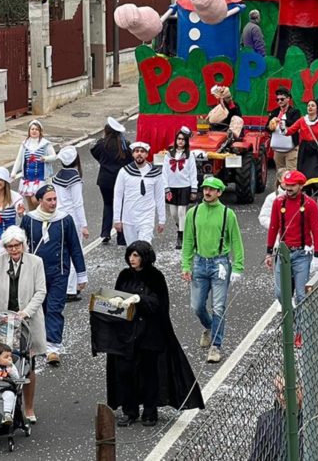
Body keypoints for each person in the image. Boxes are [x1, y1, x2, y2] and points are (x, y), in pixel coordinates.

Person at [106, 241, 204, 427]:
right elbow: (117, 296)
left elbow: (160, 304)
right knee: (126, 372)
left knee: (149, 373)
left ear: (145, 257)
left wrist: (139, 300)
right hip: (128, 333)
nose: (132, 259)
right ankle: (130, 410)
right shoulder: (124, 275)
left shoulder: (155, 277)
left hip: (149, 333)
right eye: (130, 255)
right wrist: (116, 301)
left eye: (136, 255)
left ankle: (150, 411)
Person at [0, 226, 47, 423]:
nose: (14, 249)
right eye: (10, 246)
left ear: (23, 245)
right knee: (0, 361)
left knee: (28, 365)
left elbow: (41, 291)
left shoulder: (36, 262)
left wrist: (26, 312)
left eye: (17, 245)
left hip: (27, 322)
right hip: (3, 322)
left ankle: (29, 408)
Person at [22, 185, 88, 366]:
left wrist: (81, 275)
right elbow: (20, 245)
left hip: (59, 273)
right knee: (39, 310)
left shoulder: (65, 219)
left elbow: (75, 247)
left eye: (55, 199)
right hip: (36, 274)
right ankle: (39, 342)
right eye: (49, 200)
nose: (53, 203)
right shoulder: (29, 219)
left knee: (54, 308)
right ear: (39, 201)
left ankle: (53, 349)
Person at [181, 176, 243, 364]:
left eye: (211, 189)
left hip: (220, 264)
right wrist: (186, 265)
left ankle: (216, 345)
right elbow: (188, 240)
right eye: (205, 188)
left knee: (218, 306)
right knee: (197, 306)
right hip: (199, 263)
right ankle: (210, 327)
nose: (207, 192)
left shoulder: (227, 214)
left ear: (219, 193)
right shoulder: (193, 212)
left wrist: (238, 266)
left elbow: (236, 241)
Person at [264, 170, 318, 305]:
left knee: (301, 295)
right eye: (287, 184)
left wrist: (317, 256)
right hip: (283, 253)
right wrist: (269, 252)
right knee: (281, 294)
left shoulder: (310, 204)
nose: (288, 188)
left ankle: (301, 319)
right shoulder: (278, 202)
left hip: (302, 254)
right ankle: (292, 316)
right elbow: (273, 227)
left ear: (301, 186)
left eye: (292, 185)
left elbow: (316, 230)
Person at [52, 146, 90, 300]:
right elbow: (78, 204)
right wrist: (84, 225)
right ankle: (70, 288)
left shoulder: (57, 176)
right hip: (72, 219)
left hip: (58, 217)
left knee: (62, 253)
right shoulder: (75, 179)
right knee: (75, 252)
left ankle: (62, 286)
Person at [113, 142, 166, 245]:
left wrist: (162, 220)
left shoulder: (155, 173)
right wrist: (116, 219)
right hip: (129, 218)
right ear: (133, 154)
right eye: (136, 151)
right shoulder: (124, 172)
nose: (139, 154)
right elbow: (118, 196)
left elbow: (159, 197)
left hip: (147, 217)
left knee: (144, 247)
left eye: (142, 151)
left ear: (146, 154)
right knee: (132, 248)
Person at [91, 117, 132, 243]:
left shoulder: (101, 144)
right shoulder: (125, 145)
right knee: (121, 206)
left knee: (108, 204)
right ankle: (121, 236)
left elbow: (94, 152)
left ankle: (105, 232)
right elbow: (130, 160)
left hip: (105, 180)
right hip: (121, 180)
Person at [248, 375, 304, 460]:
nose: (281, 397)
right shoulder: (266, 421)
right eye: (278, 392)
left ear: (300, 390)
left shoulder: (311, 417)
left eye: (285, 391)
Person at [163, 127, 198, 250]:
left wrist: (194, 189)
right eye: (179, 139)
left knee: (181, 211)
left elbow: (193, 172)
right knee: (173, 213)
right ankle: (182, 227)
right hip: (172, 187)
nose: (181, 141)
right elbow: (164, 172)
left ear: (186, 141)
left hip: (185, 186)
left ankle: (180, 236)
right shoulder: (169, 155)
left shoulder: (189, 155)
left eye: (183, 139)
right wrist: (166, 187)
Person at [12, 120, 58, 210]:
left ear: (40, 131)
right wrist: (13, 173)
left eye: (36, 129)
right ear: (29, 131)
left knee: (35, 200)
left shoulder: (45, 144)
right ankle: (33, 217)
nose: (34, 131)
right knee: (29, 202)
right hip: (28, 178)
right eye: (32, 129)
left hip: (40, 178)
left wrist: (46, 158)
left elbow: (54, 156)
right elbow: (19, 159)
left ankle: (41, 214)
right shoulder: (25, 144)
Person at [268, 88, 302, 172]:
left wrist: (280, 120)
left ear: (288, 99)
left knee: (291, 173)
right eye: (278, 99)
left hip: (291, 149)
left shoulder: (295, 112)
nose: (279, 101)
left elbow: (294, 123)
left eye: (282, 99)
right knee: (280, 174)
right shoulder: (274, 112)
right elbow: (267, 128)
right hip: (277, 150)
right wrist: (270, 126)